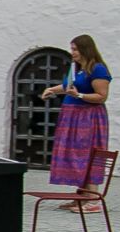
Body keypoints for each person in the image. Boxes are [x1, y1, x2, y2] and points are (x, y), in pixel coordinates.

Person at [44, 34, 112, 205]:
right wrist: (52, 89)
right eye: (72, 49)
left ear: (85, 49)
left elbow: (102, 96)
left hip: (88, 116)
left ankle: (93, 199)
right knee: (75, 153)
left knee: (88, 152)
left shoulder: (98, 69)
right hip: (72, 115)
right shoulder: (76, 68)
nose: (72, 52)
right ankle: (81, 196)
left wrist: (80, 95)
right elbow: (68, 87)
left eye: (75, 49)